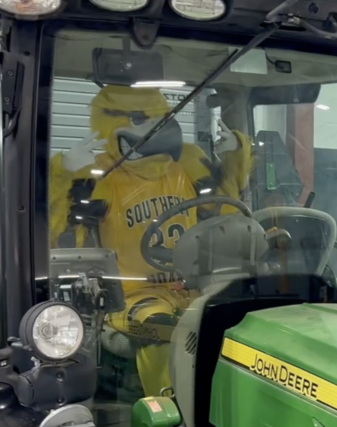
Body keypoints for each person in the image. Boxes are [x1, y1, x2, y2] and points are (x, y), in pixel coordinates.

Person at [49, 84, 254, 397]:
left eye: (162, 118)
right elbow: (61, 235)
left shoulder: (188, 164)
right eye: (140, 119)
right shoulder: (101, 176)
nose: (159, 130)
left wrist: (233, 158)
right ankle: (173, 409)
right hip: (133, 294)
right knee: (161, 331)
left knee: (240, 321)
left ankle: (228, 403)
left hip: (193, 285)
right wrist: (63, 174)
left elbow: (225, 214)